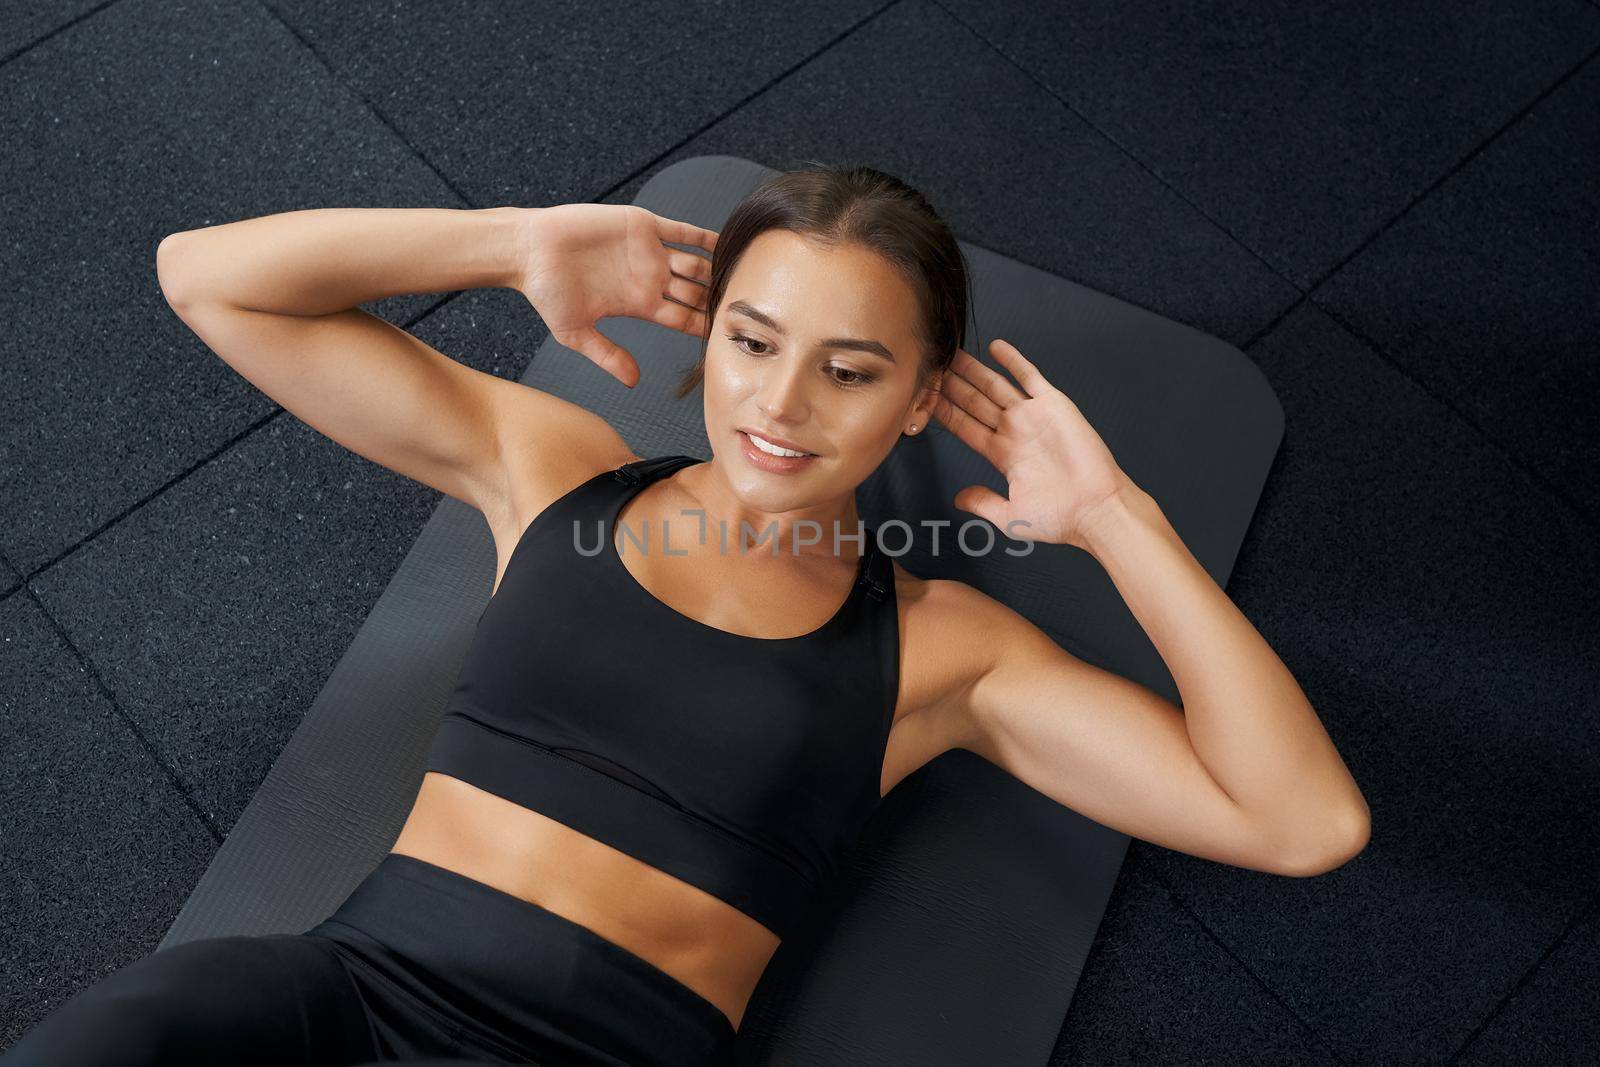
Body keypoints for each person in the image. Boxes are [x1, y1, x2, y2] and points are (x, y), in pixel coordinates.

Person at [3, 165, 1370, 1066]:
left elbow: (1301, 822)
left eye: (848, 370)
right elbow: (208, 278)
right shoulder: (553, 470)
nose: (779, 406)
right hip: (344, 991)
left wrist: (1116, 518)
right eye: (753, 341)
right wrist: (513, 245)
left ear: (914, 400)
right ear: (706, 332)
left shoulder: (947, 651)